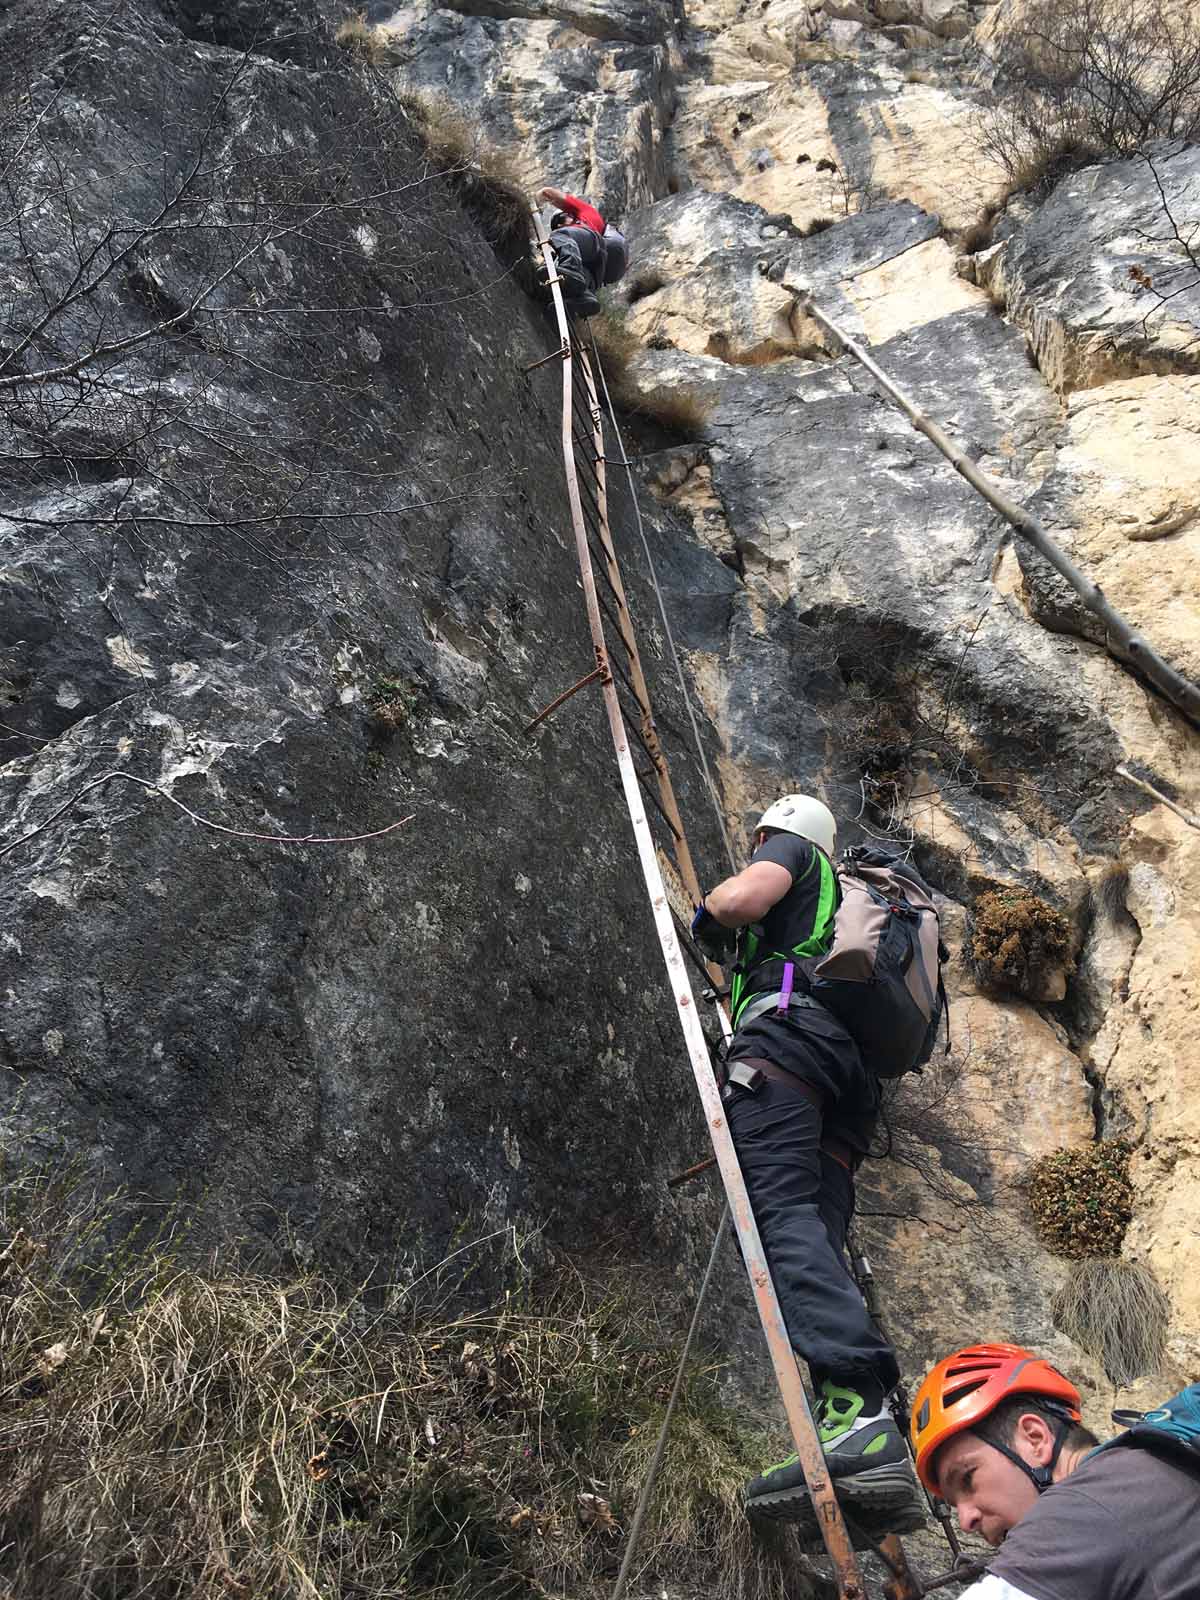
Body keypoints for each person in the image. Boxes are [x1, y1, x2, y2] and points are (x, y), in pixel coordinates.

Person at [690, 794, 924, 1536]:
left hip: (789, 1044)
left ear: (774, 830)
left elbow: (739, 900)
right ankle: (867, 1437)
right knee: (815, 1236)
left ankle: (855, 1405)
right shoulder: (851, 903)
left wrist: (707, 916)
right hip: (849, 1085)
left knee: (776, 1216)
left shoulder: (793, 850)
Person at [910, 1342, 1200, 1599]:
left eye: (968, 1478)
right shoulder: (1152, 1473)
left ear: (1034, 1439)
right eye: (954, 1504)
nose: (965, 1521)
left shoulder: (1081, 1511)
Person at [536, 184, 609, 317]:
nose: (559, 225)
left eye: (561, 219)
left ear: (572, 214)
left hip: (591, 240)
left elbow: (556, 196)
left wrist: (543, 193)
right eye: (556, 225)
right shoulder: (574, 244)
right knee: (579, 277)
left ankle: (570, 268)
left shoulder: (584, 213)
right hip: (596, 266)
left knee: (559, 235)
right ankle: (583, 298)